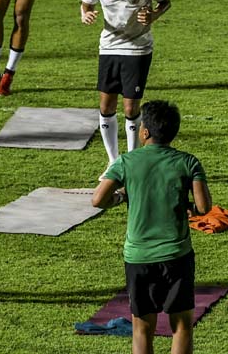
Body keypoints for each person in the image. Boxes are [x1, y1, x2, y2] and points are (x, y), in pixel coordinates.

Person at [92, 100, 211, 354]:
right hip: (177, 256)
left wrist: (122, 196)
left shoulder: (126, 162)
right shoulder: (188, 162)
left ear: (145, 132)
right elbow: (203, 208)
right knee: (181, 328)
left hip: (139, 258)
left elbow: (98, 200)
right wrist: (186, 205)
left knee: (141, 330)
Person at [81, 0, 171, 175]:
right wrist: (86, 14)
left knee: (131, 108)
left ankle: (131, 161)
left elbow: (165, 1)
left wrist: (153, 16)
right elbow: (86, 2)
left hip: (137, 49)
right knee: (106, 104)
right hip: (109, 48)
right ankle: (113, 161)